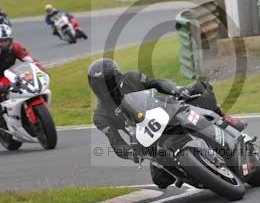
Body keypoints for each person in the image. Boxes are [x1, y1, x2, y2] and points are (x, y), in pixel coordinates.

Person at [88, 58, 247, 188]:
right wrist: (132, 153)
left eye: (109, 81)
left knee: (199, 88)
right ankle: (197, 173)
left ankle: (223, 117)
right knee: (160, 180)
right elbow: (116, 143)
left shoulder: (132, 78)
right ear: (94, 87)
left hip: (166, 113)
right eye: (101, 84)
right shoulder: (100, 116)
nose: (106, 87)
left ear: (118, 76)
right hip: (149, 140)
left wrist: (175, 89)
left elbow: (157, 83)